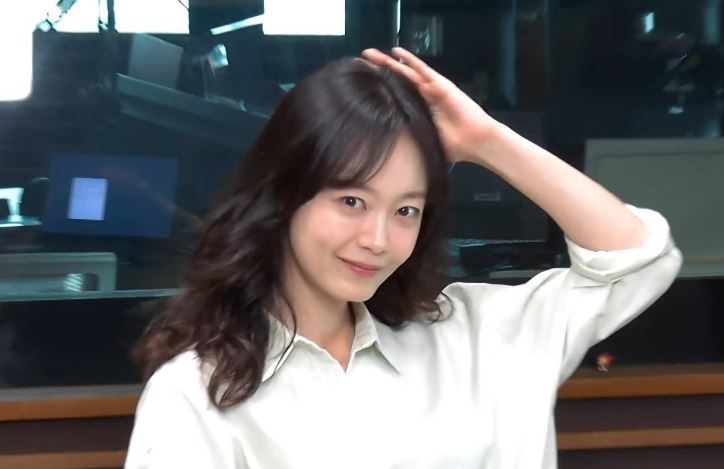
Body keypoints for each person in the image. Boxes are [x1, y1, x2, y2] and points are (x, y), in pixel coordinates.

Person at [124, 48, 682, 468]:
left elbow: (638, 258)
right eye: (352, 201)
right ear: (283, 197)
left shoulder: (478, 335)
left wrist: (486, 141)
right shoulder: (197, 393)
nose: (378, 239)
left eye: (406, 210)